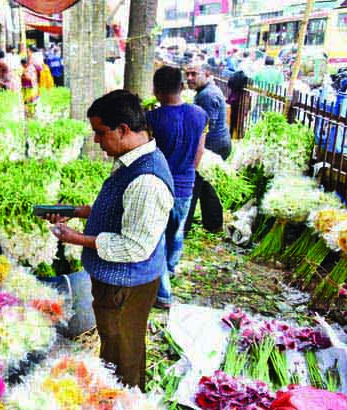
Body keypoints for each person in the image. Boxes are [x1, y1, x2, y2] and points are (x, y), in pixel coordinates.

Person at [45, 90, 173, 389]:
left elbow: (134, 246)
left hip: (125, 285)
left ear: (124, 130)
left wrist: (77, 238)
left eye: (100, 133)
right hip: (120, 283)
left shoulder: (146, 180)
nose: (96, 141)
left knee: (120, 357)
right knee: (121, 347)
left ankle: (125, 399)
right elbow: (124, 213)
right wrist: (80, 211)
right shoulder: (133, 161)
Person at [146, 67, 208, 309]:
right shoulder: (200, 115)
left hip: (159, 185)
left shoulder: (153, 118)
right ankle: (170, 269)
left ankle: (163, 294)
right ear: (182, 86)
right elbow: (199, 152)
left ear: (156, 90)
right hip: (186, 184)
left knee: (157, 238)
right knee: (177, 231)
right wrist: (189, 174)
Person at [185, 63, 231, 234]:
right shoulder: (206, 92)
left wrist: (195, 150)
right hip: (217, 144)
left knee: (193, 183)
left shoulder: (207, 95)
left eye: (194, 74)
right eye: (187, 74)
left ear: (207, 74)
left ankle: (184, 226)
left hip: (212, 146)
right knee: (207, 186)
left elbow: (204, 127)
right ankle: (213, 224)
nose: (189, 78)